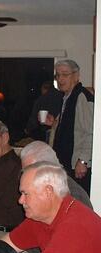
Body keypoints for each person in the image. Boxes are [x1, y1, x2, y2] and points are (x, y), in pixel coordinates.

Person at [44, 60, 94, 195]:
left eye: (65, 74)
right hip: (66, 166)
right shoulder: (67, 98)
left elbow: (91, 132)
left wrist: (83, 160)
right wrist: (54, 124)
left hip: (78, 167)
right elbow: (70, 128)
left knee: (81, 205)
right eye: (58, 75)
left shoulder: (82, 97)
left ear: (76, 76)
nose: (60, 79)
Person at [20, 141, 92, 209]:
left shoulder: (73, 196)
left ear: (48, 168)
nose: (24, 176)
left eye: (28, 172)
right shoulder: (48, 189)